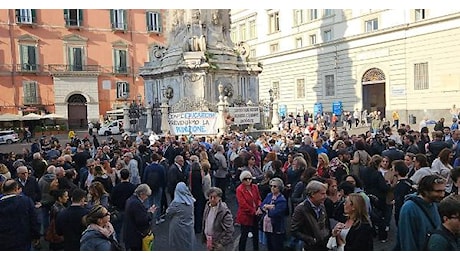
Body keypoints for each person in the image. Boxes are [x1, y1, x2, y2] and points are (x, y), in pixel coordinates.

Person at [395, 175, 446, 250]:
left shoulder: (434, 203)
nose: (442, 195)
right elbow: (407, 240)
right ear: (425, 191)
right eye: (438, 191)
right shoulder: (409, 208)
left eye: (443, 191)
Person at [0, 179, 41, 250]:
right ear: (16, 188)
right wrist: (36, 236)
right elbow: (34, 220)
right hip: (23, 241)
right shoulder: (26, 201)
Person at [290, 180, 331, 251]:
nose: (325, 196)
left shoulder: (322, 205)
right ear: (312, 194)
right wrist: (310, 240)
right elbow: (294, 230)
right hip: (310, 248)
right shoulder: (301, 209)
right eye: (322, 194)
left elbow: (326, 224)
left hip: (324, 245)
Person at [124, 183, 157, 251]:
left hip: (130, 234)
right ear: (142, 194)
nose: (147, 197)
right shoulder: (136, 204)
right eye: (147, 195)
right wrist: (150, 213)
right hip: (136, 236)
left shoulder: (131, 200)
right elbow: (142, 220)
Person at [259, 177, 288, 251]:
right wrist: (268, 207)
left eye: (275, 186)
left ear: (279, 188)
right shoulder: (269, 195)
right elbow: (262, 205)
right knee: (269, 246)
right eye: (271, 186)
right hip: (267, 227)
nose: (272, 188)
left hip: (276, 227)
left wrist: (267, 208)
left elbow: (275, 213)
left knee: (277, 247)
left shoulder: (282, 200)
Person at [202, 187, 235, 251]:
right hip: (209, 241)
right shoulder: (207, 206)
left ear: (219, 198)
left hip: (218, 244)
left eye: (215, 197)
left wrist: (221, 243)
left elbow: (230, 230)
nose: (212, 199)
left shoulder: (224, 211)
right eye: (210, 197)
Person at [235, 170, 261, 251]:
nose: (248, 180)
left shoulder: (255, 187)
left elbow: (259, 198)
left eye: (250, 178)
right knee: (244, 235)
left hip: (255, 215)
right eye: (246, 179)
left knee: (256, 235)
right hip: (245, 216)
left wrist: (259, 207)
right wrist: (254, 211)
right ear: (242, 180)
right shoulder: (239, 189)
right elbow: (243, 204)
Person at [166, 182, 195, 251]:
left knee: (177, 245)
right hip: (189, 225)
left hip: (177, 227)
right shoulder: (191, 200)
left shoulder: (176, 203)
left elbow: (168, 213)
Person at [110, 169, 136, 243]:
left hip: (119, 210)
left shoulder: (116, 188)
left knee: (118, 229)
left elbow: (112, 199)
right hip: (130, 211)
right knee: (130, 229)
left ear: (120, 176)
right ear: (129, 176)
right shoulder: (133, 187)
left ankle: (118, 245)